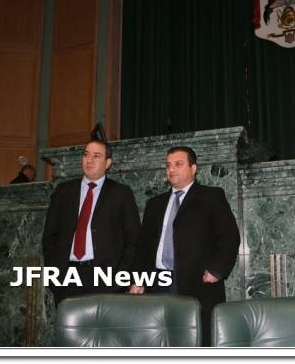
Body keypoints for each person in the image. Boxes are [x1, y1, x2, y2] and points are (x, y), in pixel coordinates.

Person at [130, 146, 240, 347]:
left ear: (193, 168)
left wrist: (217, 269)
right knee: (160, 343)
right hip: (157, 284)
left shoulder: (211, 196)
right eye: (168, 165)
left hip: (197, 284)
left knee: (197, 343)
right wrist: (138, 279)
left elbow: (229, 236)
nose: (171, 169)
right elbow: (143, 247)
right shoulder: (155, 204)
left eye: (178, 164)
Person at [42, 139, 141, 305]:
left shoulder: (121, 193)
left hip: (106, 281)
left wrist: (120, 277)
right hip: (67, 279)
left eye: (96, 156)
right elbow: (50, 236)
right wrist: (55, 274)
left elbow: (133, 239)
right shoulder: (63, 191)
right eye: (86, 155)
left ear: (107, 163)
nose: (89, 160)